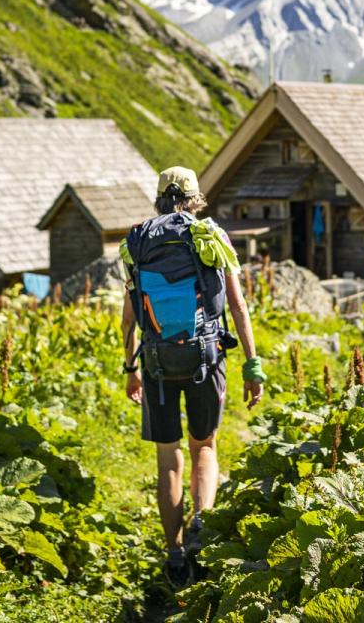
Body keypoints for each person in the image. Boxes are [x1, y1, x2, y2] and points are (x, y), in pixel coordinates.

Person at [121, 166, 265, 589]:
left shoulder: (137, 242)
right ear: (195, 197)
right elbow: (238, 307)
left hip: (156, 364)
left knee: (169, 459)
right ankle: (202, 525)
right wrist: (252, 366)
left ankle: (174, 554)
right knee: (205, 446)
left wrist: (131, 369)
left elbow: (130, 318)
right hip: (206, 357)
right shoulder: (210, 237)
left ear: (159, 197)